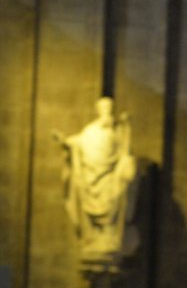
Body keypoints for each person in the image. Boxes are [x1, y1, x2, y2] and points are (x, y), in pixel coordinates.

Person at [53, 97, 139, 261]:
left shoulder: (117, 133)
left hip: (110, 178)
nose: (107, 112)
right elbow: (76, 143)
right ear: (98, 110)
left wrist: (127, 126)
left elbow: (124, 152)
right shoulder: (90, 131)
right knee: (90, 201)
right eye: (104, 108)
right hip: (92, 177)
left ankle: (108, 235)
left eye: (110, 108)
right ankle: (94, 236)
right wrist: (63, 140)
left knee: (113, 199)